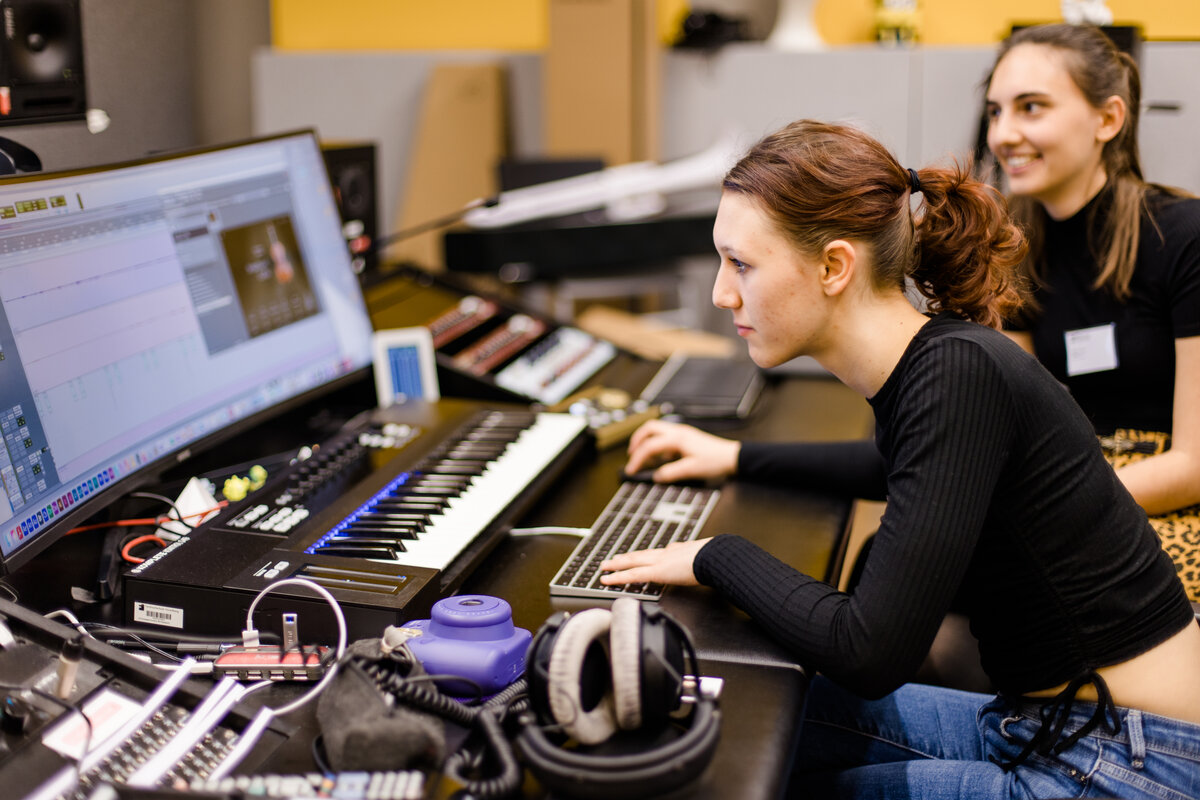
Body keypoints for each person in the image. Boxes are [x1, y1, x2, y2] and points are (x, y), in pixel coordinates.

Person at [598, 118, 1200, 798]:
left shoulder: (955, 375)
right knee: (719, 717)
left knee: (756, 772)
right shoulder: (936, 362)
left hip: (1134, 762)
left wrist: (715, 556)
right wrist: (737, 458)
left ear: (834, 266)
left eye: (740, 263)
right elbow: (896, 471)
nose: (721, 293)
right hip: (1051, 725)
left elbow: (868, 652)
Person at [985, 23, 1200, 601]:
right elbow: (1025, 424)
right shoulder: (1020, 248)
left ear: (1108, 119)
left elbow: (1195, 463)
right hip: (1075, 492)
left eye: (1031, 108)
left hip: (1165, 507)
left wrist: (1054, 506)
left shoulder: (1184, 237)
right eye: (995, 111)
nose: (1004, 134)